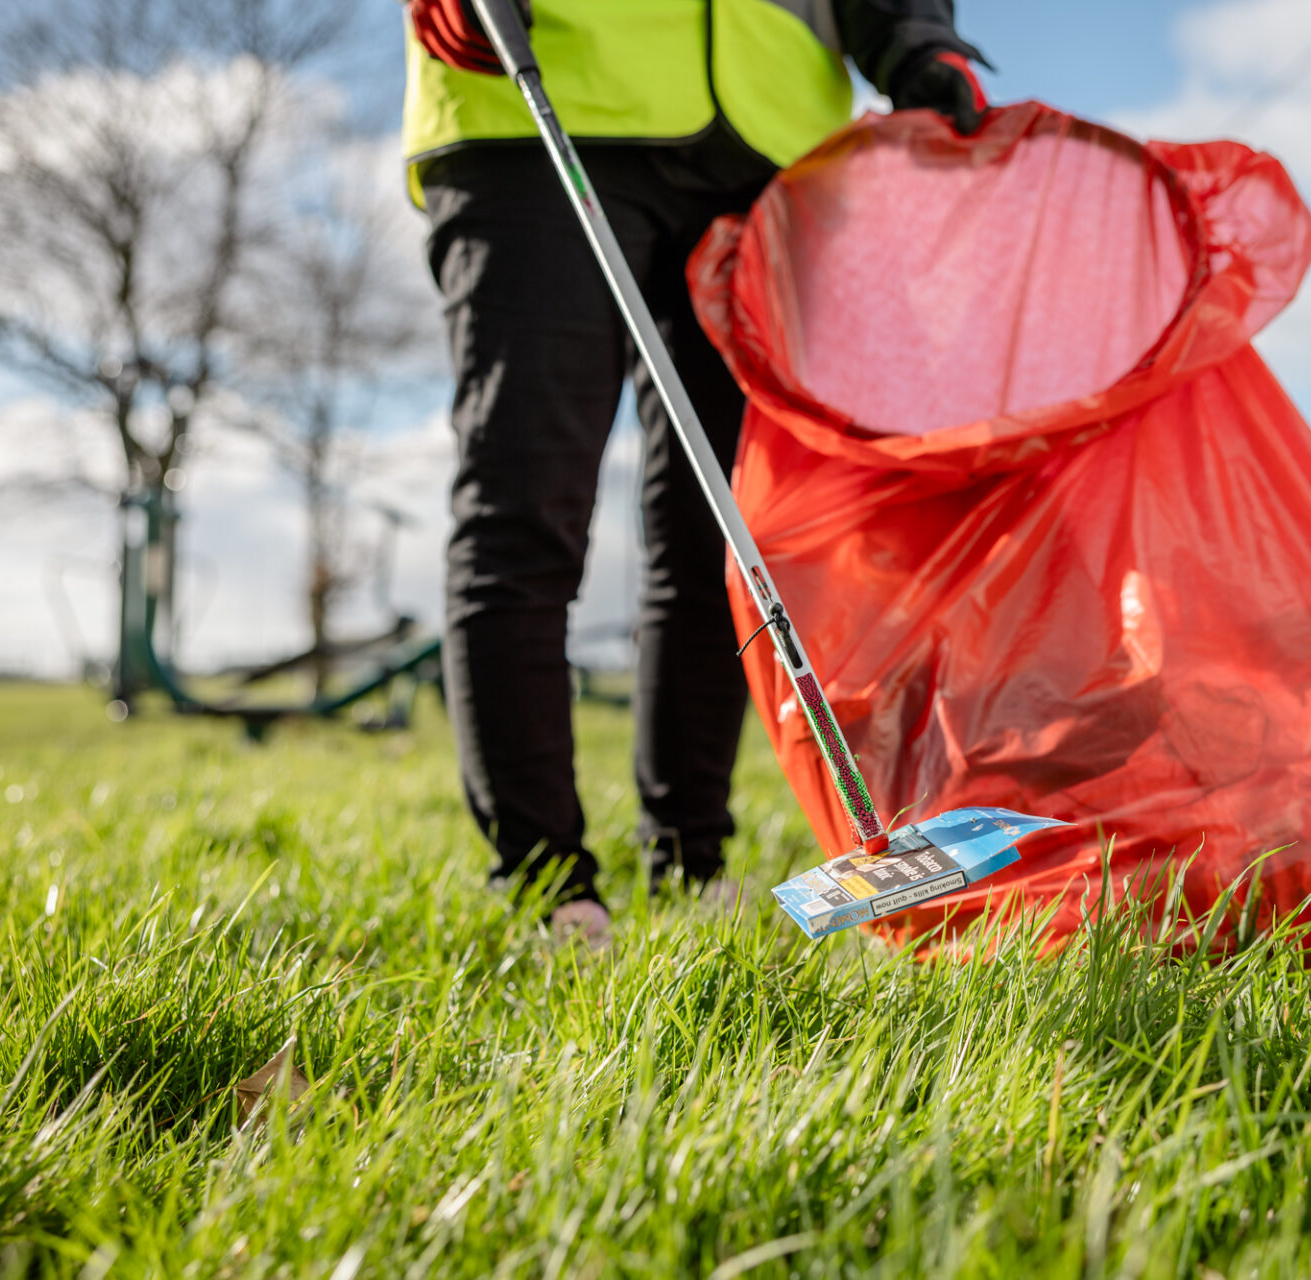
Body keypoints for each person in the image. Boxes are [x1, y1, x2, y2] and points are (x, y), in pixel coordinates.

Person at [402, 0, 989, 946]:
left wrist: (910, 32)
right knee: (528, 504)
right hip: (544, 83)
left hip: (770, 137)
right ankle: (548, 886)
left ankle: (691, 860)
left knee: (725, 535)